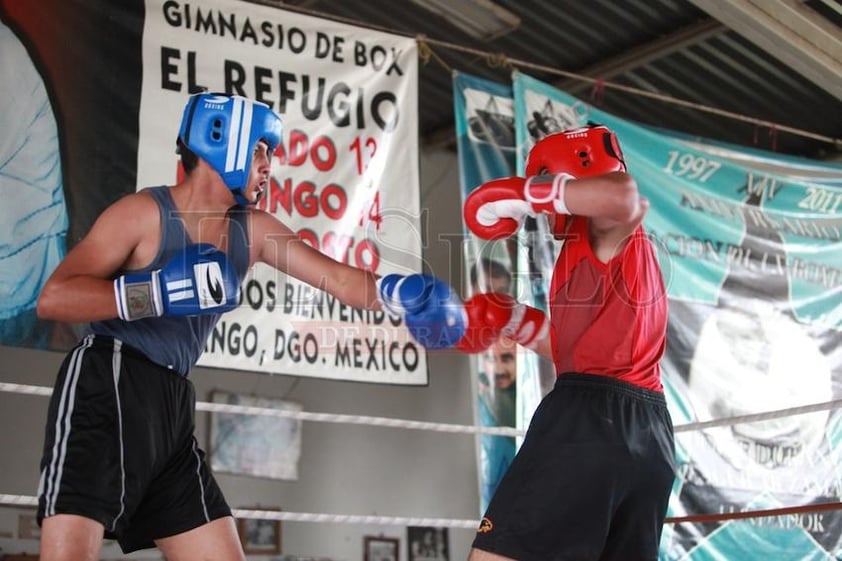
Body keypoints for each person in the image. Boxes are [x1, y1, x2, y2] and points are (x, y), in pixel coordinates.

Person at [33, 92, 467, 561]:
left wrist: (403, 294)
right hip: (108, 380)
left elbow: (338, 279)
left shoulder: (251, 229)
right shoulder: (143, 214)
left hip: (172, 402)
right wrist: (155, 292)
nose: (269, 164)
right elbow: (54, 298)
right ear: (220, 140)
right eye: (261, 148)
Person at [463, 124, 675, 561]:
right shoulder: (607, 250)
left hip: (589, 420)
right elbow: (579, 351)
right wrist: (512, 319)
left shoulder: (604, 229)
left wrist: (517, 193)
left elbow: (621, 196)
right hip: (650, 433)